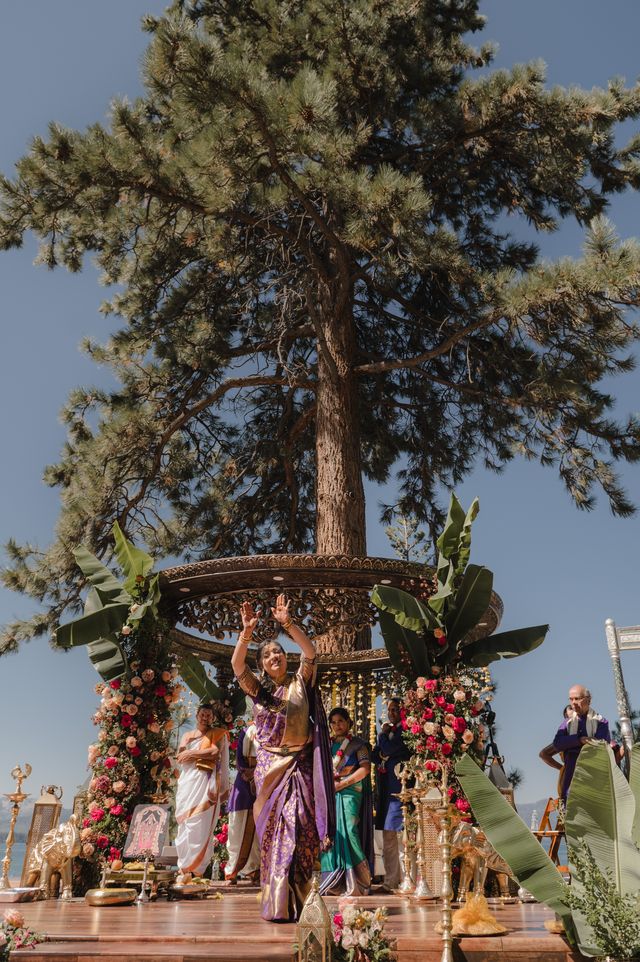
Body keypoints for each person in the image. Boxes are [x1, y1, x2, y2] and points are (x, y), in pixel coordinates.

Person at [231, 594, 335, 922]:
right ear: (261, 664)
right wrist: (247, 633)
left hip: (301, 767)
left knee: (302, 830)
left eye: (278, 651)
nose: (274, 655)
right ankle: (277, 902)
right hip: (269, 770)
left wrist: (287, 624)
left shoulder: (300, 683)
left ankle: (305, 901)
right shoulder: (258, 691)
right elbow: (237, 665)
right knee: (276, 834)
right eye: (268, 654)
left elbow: (311, 652)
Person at [320, 707, 374, 896]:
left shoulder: (359, 745)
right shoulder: (325, 745)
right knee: (330, 832)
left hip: (350, 792)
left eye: (341, 721)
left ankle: (359, 880)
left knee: (350, 830)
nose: (337, 725)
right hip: (330, 794)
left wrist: (343, 784)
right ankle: (332, 882)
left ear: (349, 722)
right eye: (333, 722)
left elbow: (365, 769)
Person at [175, 703, 230, 882]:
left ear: (213, 718)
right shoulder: (187, 735)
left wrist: (192, 754)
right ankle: (183, 867)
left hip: (205, 784)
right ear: (197, 715)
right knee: (185, 823)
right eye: (203, 714)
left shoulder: (218, 734)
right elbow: (180, 756)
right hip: (188, 783)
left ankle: (196, 870)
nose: (205, 717)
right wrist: (193, 754)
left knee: (200, 824)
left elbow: (214, 752)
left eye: (209, 715)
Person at [371, 697, 411, 891]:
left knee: (403, 837)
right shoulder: (389, 733)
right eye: (390, 710)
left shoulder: (406, 731)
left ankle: (408, 880)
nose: (392, 713)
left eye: (396, 709)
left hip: (400, 791)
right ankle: (390, 882)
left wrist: (382, 736)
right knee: (388, 838)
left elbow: (385, 749)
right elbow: (375, 755)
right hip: (387, 791)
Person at [552, 685, 610, 802]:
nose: (573, 703)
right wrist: (580, 740)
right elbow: (557, 743)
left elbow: (601, 746)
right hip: (571, 782)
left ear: (588, 699)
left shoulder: (601, 722)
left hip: (593, 780)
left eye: (577, 698)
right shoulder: (567, 723)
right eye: (571, 699)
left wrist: (571, 744)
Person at [224, 721, 260, 884]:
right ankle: (232, 870)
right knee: (236, 827)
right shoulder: (245, 731)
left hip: (263, 780)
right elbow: (239, 758)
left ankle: (254, 870)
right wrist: (247, 774)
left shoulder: (270, 731)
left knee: (258, 828)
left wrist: (258, 773)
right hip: (243, 781)